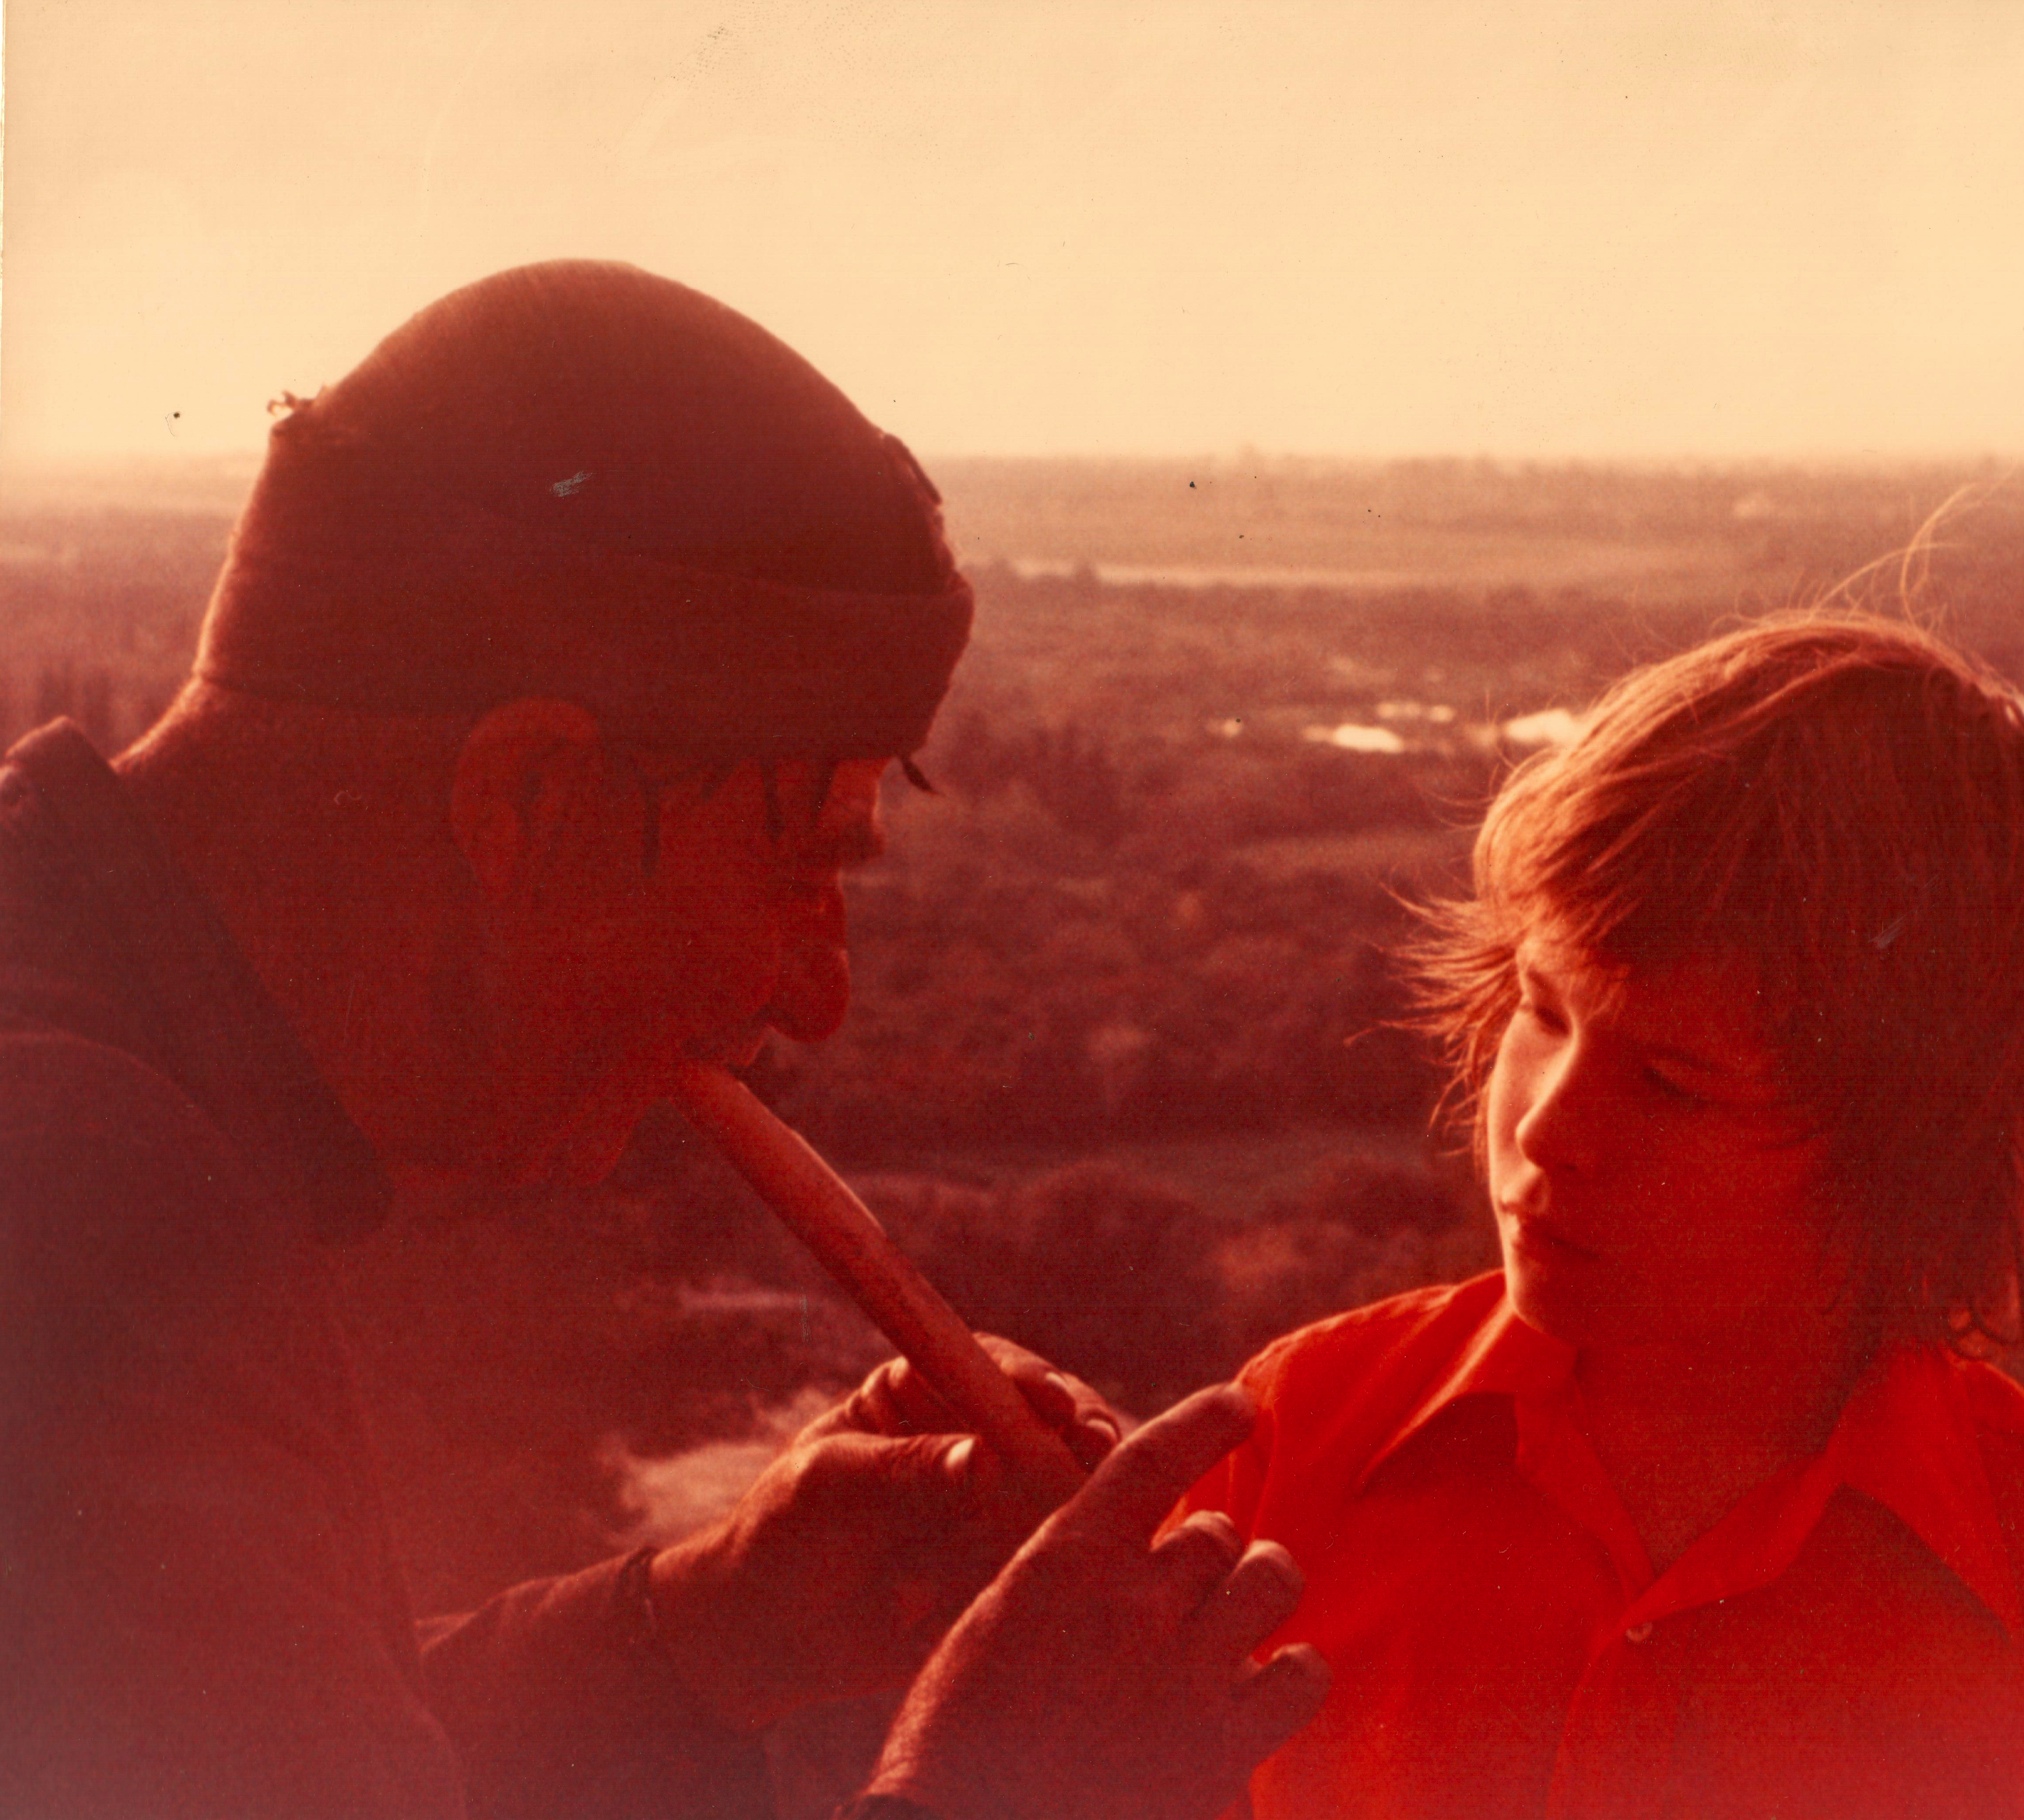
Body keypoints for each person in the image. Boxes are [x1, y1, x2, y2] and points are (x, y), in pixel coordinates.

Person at [0, 261, 1326, 1820]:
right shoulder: (83, 1190)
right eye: (808, 856)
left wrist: (708, 1630)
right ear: (531, 801)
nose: (817, 999)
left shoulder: (96, 1072)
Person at [1176, 615, 2024, 1816]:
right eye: (1543, 1009)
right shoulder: (1299, 1438)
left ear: (1909, 1162)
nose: (1546, 1128)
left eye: (1674, 1080)